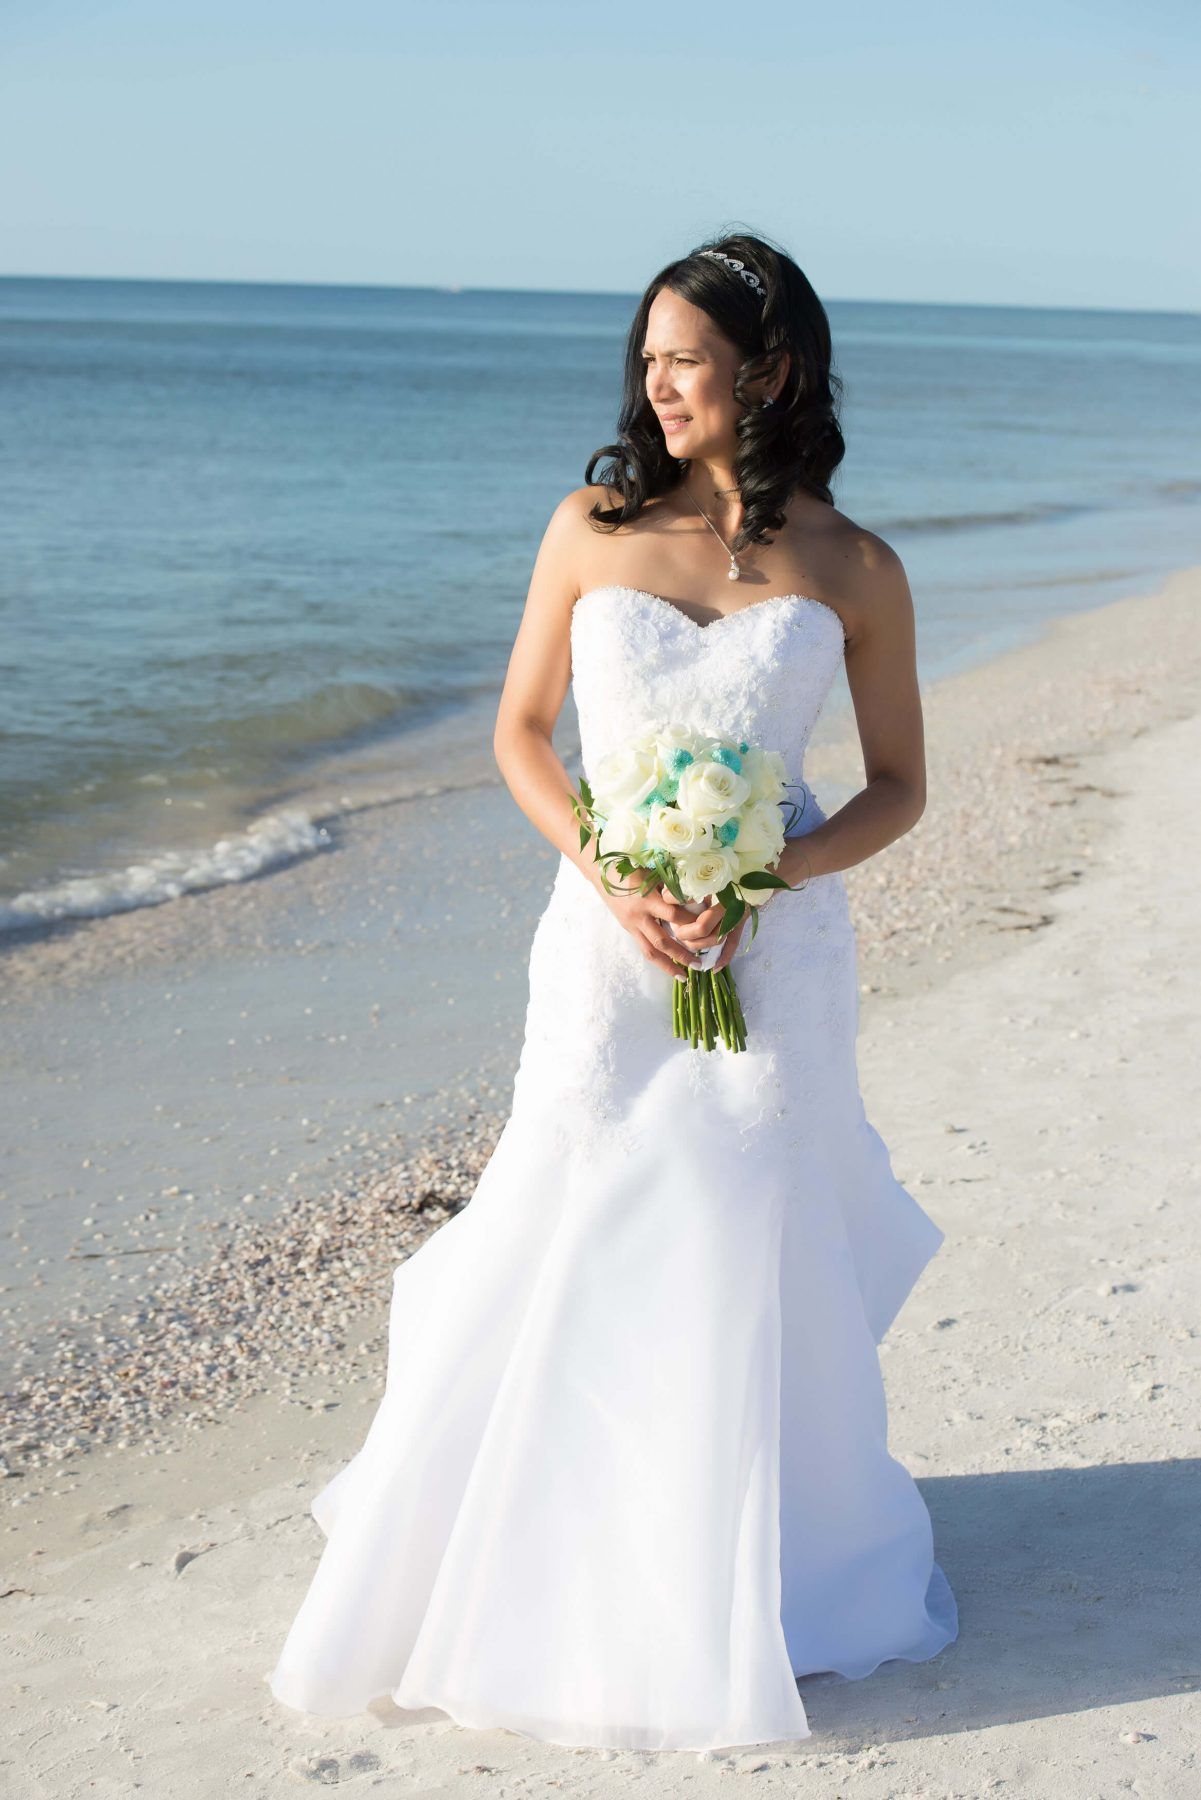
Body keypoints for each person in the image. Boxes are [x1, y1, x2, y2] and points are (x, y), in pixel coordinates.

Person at [267, 231, 959, 1753]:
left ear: (768, 371)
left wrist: (762, 877)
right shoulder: (589, 525)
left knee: (733, 1226)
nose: (653, 383)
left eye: (684, 358)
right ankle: (533, 1556)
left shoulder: (852, 569)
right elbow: (521, 734)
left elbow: (900, 787)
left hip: (768, 957)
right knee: (573, 1209)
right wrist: (612, 869)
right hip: (602, 941)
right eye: (644, 356)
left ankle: (749, 1575)